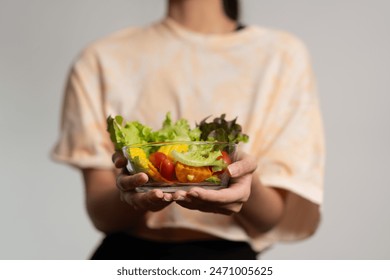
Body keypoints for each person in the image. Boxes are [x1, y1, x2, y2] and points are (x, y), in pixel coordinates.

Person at [52, 0, 325, 260]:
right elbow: (102, 216)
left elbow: (271, 217)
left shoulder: (281, 56)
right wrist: (134, 192)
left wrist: (241, 180)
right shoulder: (101, 59)